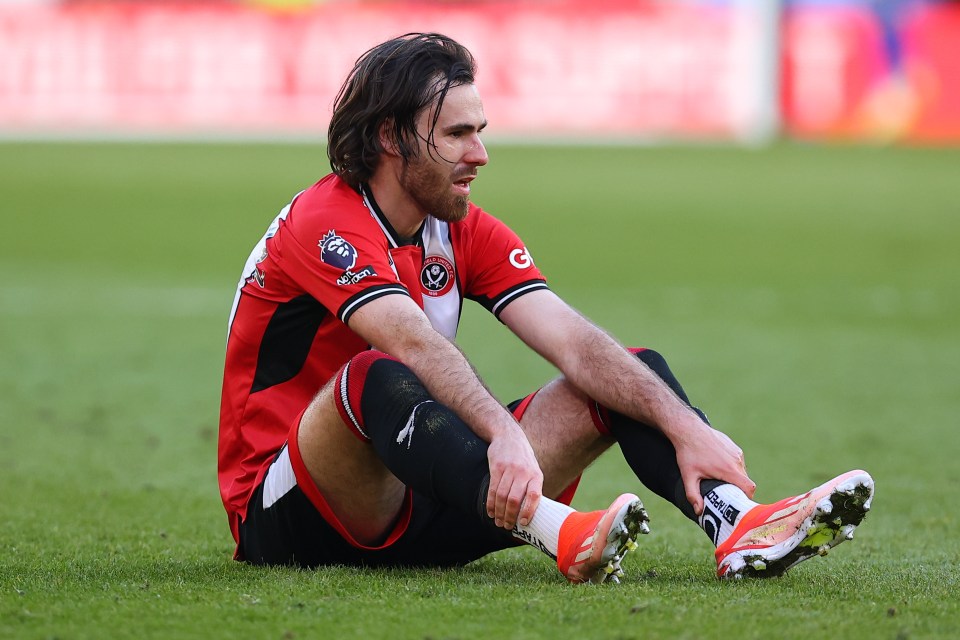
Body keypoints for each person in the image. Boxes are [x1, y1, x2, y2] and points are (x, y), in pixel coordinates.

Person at [218, 32, 874, 583]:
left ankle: (737, 524)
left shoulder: (461, 227)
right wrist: (503, 436)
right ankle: (557, 531)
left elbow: (574, 343)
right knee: (375, 374)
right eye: (457, 135)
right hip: (288, 515)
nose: (480, 154)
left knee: (624, 372)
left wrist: (685, 427)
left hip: (432, 496)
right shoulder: (323, 221)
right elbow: (411, 344)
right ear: (390, 137)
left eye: (480, 131)